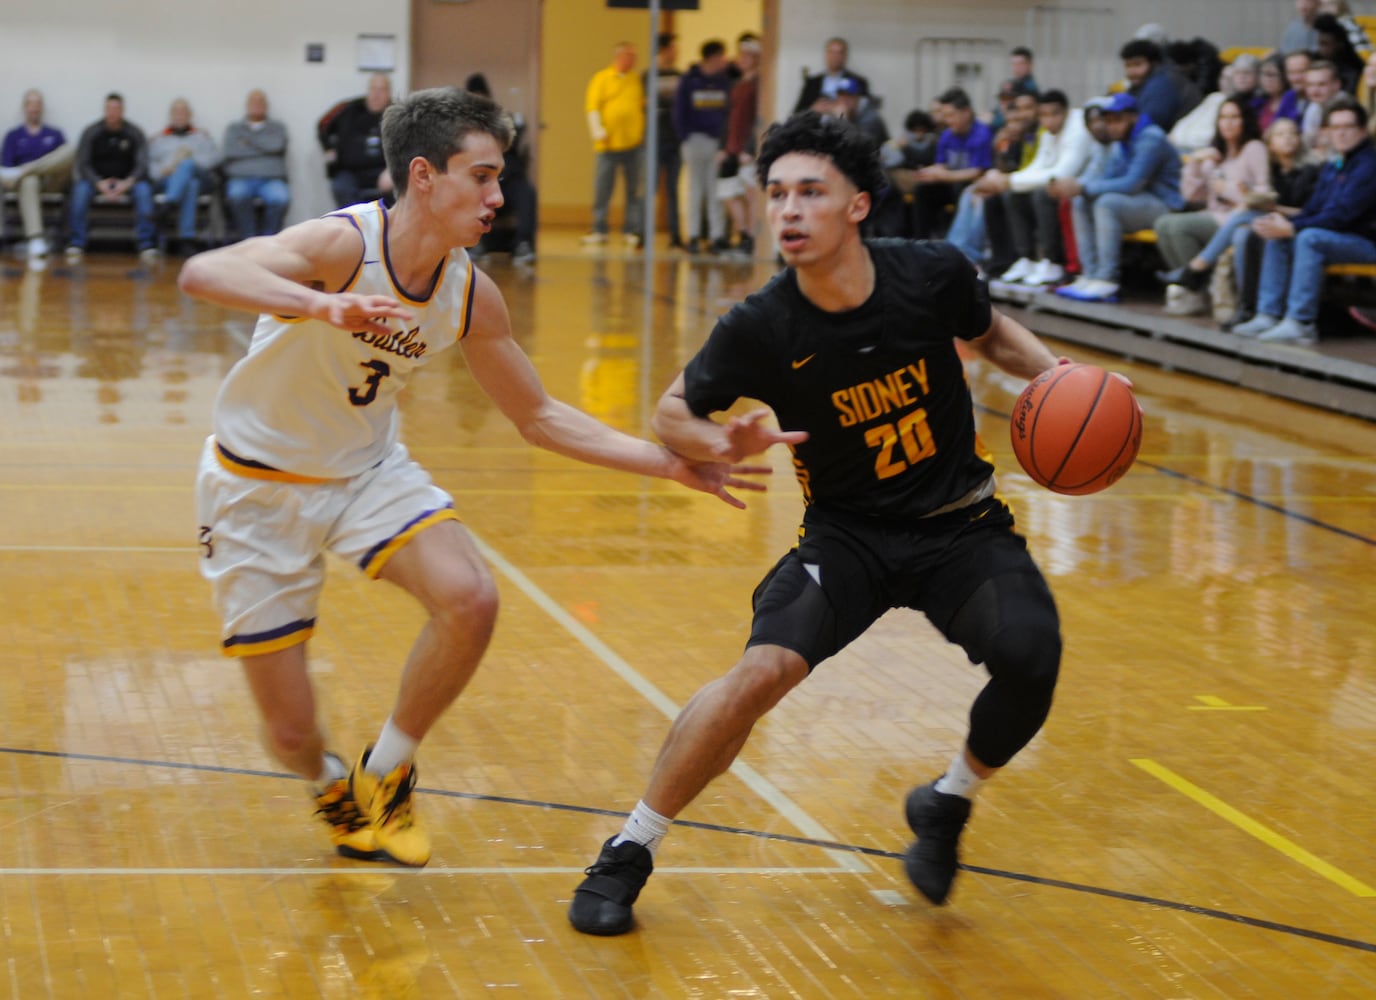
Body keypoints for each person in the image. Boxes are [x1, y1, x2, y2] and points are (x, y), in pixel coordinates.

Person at [177, 87, 768, 868]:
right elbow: (203, 271)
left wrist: (672, 463)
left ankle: (386, 771)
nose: (497, 197)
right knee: (289, 733)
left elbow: (541, 417)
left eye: (499, 178)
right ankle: (327, 782)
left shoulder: (467, 294)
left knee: (471, 598)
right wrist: (318, 308)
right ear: (423, 176)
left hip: (365, 469)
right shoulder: (338, 247)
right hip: (256, 489)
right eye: (481, 177)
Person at [567, 111, 1073, 937]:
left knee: (1033, 656)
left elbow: (992, 334)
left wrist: (1063, 378)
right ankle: (628, 848)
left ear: (859, 206)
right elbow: (670, 411)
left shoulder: (933, 273)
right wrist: (717, 442)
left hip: (960, 524)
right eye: (775, 195)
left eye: (810, 192)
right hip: (849, 536)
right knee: (759, 673)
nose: (788, 211)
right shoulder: (763, 325)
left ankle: (947, 802)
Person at [1234, 97, 1376, 343]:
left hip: (1364, 242)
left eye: (1348, 127)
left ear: (1362, 130)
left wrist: (1292, 227)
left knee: (1308, 238)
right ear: (1327, 132)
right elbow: (1312, 209)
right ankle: (1268, 314)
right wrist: (1281, 223)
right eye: (1335, 127)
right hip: (1336, 235)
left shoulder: (1369, 165)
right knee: (1277, 232)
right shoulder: (1334, 165)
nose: (1341, 133)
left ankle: (1300, 322)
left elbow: (1342, 216)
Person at [1051, 92, 1183, 303]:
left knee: (1106, 203)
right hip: (1139, 201)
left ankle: (1107, 279)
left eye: (1118, 120)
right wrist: (1076, 187)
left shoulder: (1150, 138)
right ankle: (1090, 274)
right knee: (1080, 200)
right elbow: (1106, 176)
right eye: (1109, 121)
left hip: (1165, 204)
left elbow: (1132, 183)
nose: (1112, 126)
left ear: (1132, 116)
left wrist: (1082, 186)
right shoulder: (1121, 141)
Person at [1153, 97, 1269, 316]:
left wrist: (1226, 189)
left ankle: (1195, 283)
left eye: (1235, 117)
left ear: (1245, 121)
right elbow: (1190, 195)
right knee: (1163, 224)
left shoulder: (1254, 148)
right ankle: (1193, 287)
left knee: (1178, 227)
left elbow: (1263, 193)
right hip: (1213, 215)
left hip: (1237, 218)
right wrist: (1196, 163)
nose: (1228, 123)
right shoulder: (1216, 152)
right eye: (1224, 118)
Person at [978, 89, 1094, 287]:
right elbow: (1039, 165)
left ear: (1065, 112)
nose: (1048, 121)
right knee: (1011, 195)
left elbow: (1062, 172)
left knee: (1041, 194)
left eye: (1053, 114)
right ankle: (1027, 258)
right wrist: (1009, 180)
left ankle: (1053, 261)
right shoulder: (1046, 132)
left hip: (1078, 188)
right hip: (1056, 186)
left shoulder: (1078, 131)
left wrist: (1010, 180)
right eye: (1044, 115)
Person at [66, 92, 158, 264]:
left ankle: (146, 244)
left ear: (122, 111)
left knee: (144, 191)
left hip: (128, 182)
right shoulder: (92, 131)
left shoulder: (134, 132)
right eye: (109, 108)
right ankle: (76, 243)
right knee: (80, 190)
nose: (113, 113)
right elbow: (83, 164)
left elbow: (142, 165)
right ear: (104, 110)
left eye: (116, 109)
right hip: (97, 181)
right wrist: (98, 183)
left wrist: (127, 183)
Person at [464, 73, 537, 263]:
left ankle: (523, 244)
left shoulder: (503, 122)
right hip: (476, 179)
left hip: (505, 177)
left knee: (526, 193)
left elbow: (513, 155)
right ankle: (473, 244)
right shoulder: (459, 127)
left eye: (481, 96)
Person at [0, 88, 73, 268]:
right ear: (25, 107)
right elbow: (7, 170)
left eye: (37, 104)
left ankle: (28, 169)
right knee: (29, 180)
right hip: (22, 185)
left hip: (50, 181)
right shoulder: (13, 135)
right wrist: (25, 175)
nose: (34, 108)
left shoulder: (54, 134)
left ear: (41, 108)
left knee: (72, 150)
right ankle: (35, 238)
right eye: (31, 104)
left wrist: (29, 168)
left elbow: (63, 162)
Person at [583, 41, 645, 248]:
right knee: (603, 188)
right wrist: (598, 131)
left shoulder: (636, 80)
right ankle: (599, 228)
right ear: (619, 57)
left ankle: (632, 229)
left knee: (634, 190)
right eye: (629, 55)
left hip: (633, 145)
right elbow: (592, 107)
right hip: (608, 145)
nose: (633, 60)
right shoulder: (602, 78)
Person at [673, 39, 733, 254]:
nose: (725, 61)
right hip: (694, 140)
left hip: (716, 142)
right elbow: (679, 112)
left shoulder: (724, 81)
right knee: (695, 189)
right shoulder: (689, 81)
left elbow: (728, 112)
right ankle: (694, 235)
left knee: (715, 190)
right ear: (712, 57)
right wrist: (684, 137)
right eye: (722, 56)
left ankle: (717, 235)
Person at [909, 87, 993, 239]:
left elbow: (978, 172)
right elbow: (941, 165)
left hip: (973, 185)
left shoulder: (982, 134)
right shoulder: (947, 135)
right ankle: (921, 241)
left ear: (966, 112)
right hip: (951, 182)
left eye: (951, 115)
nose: (948, 120)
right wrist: (928, 172)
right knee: (923, 189)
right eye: (945, 116)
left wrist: (944, 176)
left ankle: (958, 242)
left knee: (960, 188)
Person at [149, 98, 221, 254]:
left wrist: (185, 165)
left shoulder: (201, 136)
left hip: (200, 177)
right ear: (171, 115)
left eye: (183, 112)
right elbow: (150, 165)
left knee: (187, 166)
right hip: (168, 180)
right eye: (176, 112)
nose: (179, 115)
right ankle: (186, 239)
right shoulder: (159, 138)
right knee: (190, 184)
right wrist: (163, 170)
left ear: (190, 115)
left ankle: (169, 204)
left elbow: (214, 159)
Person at [221, 89, 291, 240]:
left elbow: (276, 146)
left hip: (271, 179)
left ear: (266, 106)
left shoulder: (277, 127)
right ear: (247, 105)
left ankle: (270, 240)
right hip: (241, 178)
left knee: (281, 198)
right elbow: (230, 151)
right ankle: (249, 239)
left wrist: (247, 142)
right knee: (237, 195)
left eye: (260, 102)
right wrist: (265, 148)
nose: (257, 105)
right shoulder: (234, 128)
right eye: (253, 102)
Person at [318, 73, 394, 209]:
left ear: (389, 93)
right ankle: (352, 228)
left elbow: (411, 143)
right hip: (349, 171)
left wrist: (394, 169)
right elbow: (323, 124)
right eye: (373, 89)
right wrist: (328, 148)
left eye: (382, 90)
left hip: (383, 170)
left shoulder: (398, 113)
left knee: (400, 191)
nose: (376, 94)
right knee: (341, 188)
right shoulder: (347, 108)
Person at [718, 35, 763, 258]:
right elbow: (729, 116)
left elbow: (759, 118)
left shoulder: (760, 86)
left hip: (747, 148)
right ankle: (743, 233)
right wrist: (723, 146)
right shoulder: (737, 83)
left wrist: (751, 147)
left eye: (747, 55)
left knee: (750, 193)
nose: (742, 59)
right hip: (731, 146)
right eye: (741, 54)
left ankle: (752, 239)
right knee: (728, 193)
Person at [647, 32, 685, 250]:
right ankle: (643, 233)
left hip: (675, 139)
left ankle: (675, 235)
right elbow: (645, 102)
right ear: (663, 50)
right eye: (673, 48)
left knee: (672, 189)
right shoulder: (648, 75)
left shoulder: (680, 75)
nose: (676, 52)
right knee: (650, 189)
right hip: (654, 139)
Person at [1120, 38, 1198, 132]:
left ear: (1154, 63)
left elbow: (1148, 125)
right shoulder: (1146, 82)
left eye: (1137, 64)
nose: (1132, 72)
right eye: (1128, 66)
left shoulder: (1163, 83)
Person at [793, 37, 869, 114]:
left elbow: (867, 114)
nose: (835, 57)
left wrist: (846, 109)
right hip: (816, 123)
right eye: (831, 52)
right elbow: (796, 113)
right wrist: (813, 109)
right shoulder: (812, 83)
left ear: (845, 56)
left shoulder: (858, 82)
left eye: (839, 53)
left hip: (845, 123)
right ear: (826, 55)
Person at [1300, 60, 1347, 148]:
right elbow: (1308, 143)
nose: (1315, 90)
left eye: (1321, 84)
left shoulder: (1348, 108)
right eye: (1310, 85)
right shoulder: (1313, 107)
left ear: (1337, 85)